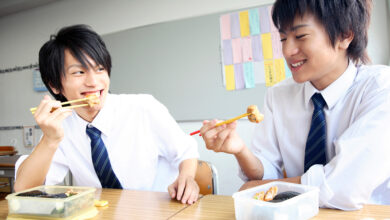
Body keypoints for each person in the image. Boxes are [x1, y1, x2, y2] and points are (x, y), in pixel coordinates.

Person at [200, 0, 390, 210]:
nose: (287, 50)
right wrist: (241, 150)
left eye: (300, 36)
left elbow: (346, 185)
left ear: (345, 34)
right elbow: (267, 170)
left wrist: (263, 189)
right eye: (282, 38)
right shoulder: (278, 95)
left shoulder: (381, 88)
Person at [14, 24, 200, 205]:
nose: (94, 82)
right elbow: (24, 189)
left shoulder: (143, 107)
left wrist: (187, 177)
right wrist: (50, 140)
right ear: (54, 85)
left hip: (159, 209)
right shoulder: (60, 125)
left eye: (100, 69)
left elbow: (185, 151)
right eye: (79, 72)